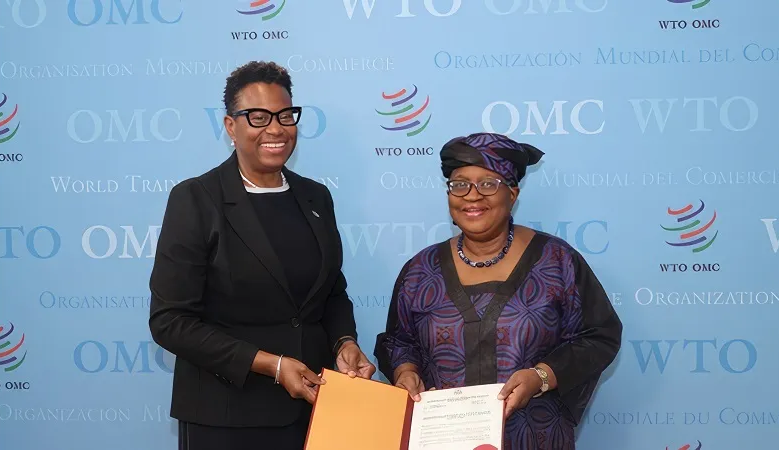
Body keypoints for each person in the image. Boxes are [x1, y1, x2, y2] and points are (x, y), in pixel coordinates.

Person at [148, 61, 375, 450]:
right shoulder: (196, 199)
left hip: (316, 409)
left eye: (285, 115)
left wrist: (344, 342)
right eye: (258, 117)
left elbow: (332, 292)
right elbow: (170, 321)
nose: (275, 129)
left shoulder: (315, 197)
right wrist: (271, 364)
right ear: (230, 127)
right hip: (226, 415)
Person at [374, 132, 622, 450]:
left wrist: (542, 376)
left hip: (534, 439)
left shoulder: (556, 261)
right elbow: (399, 340)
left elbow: (599, 335)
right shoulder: (420, 271)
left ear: (513, 193)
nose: (472, 196)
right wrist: (406, 371)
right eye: (459, 184)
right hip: (443, 439)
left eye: (488, 183)